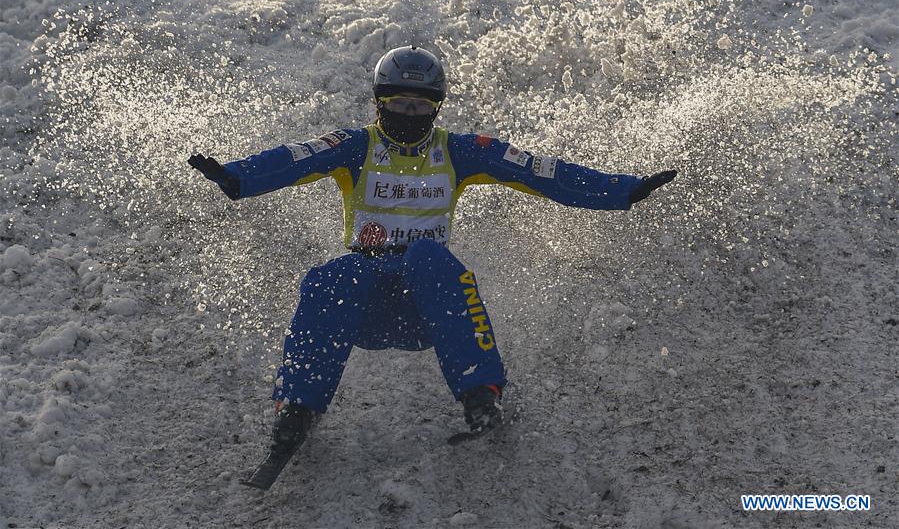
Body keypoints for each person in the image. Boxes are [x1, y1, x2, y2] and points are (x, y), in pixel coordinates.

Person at [188, 45, 676, 467]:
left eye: (421, 108)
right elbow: (295, 157)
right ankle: (296, 406)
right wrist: (236, 177)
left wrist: (622, 190)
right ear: (378, 103)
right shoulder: (356, 146)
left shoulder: (460, 152)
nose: (409, 116)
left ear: (437, 109)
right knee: (338, 272)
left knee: (430, 257)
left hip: (430, 309)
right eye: (398, 104)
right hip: (365, 308)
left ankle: (481, 391)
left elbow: (540, 173)